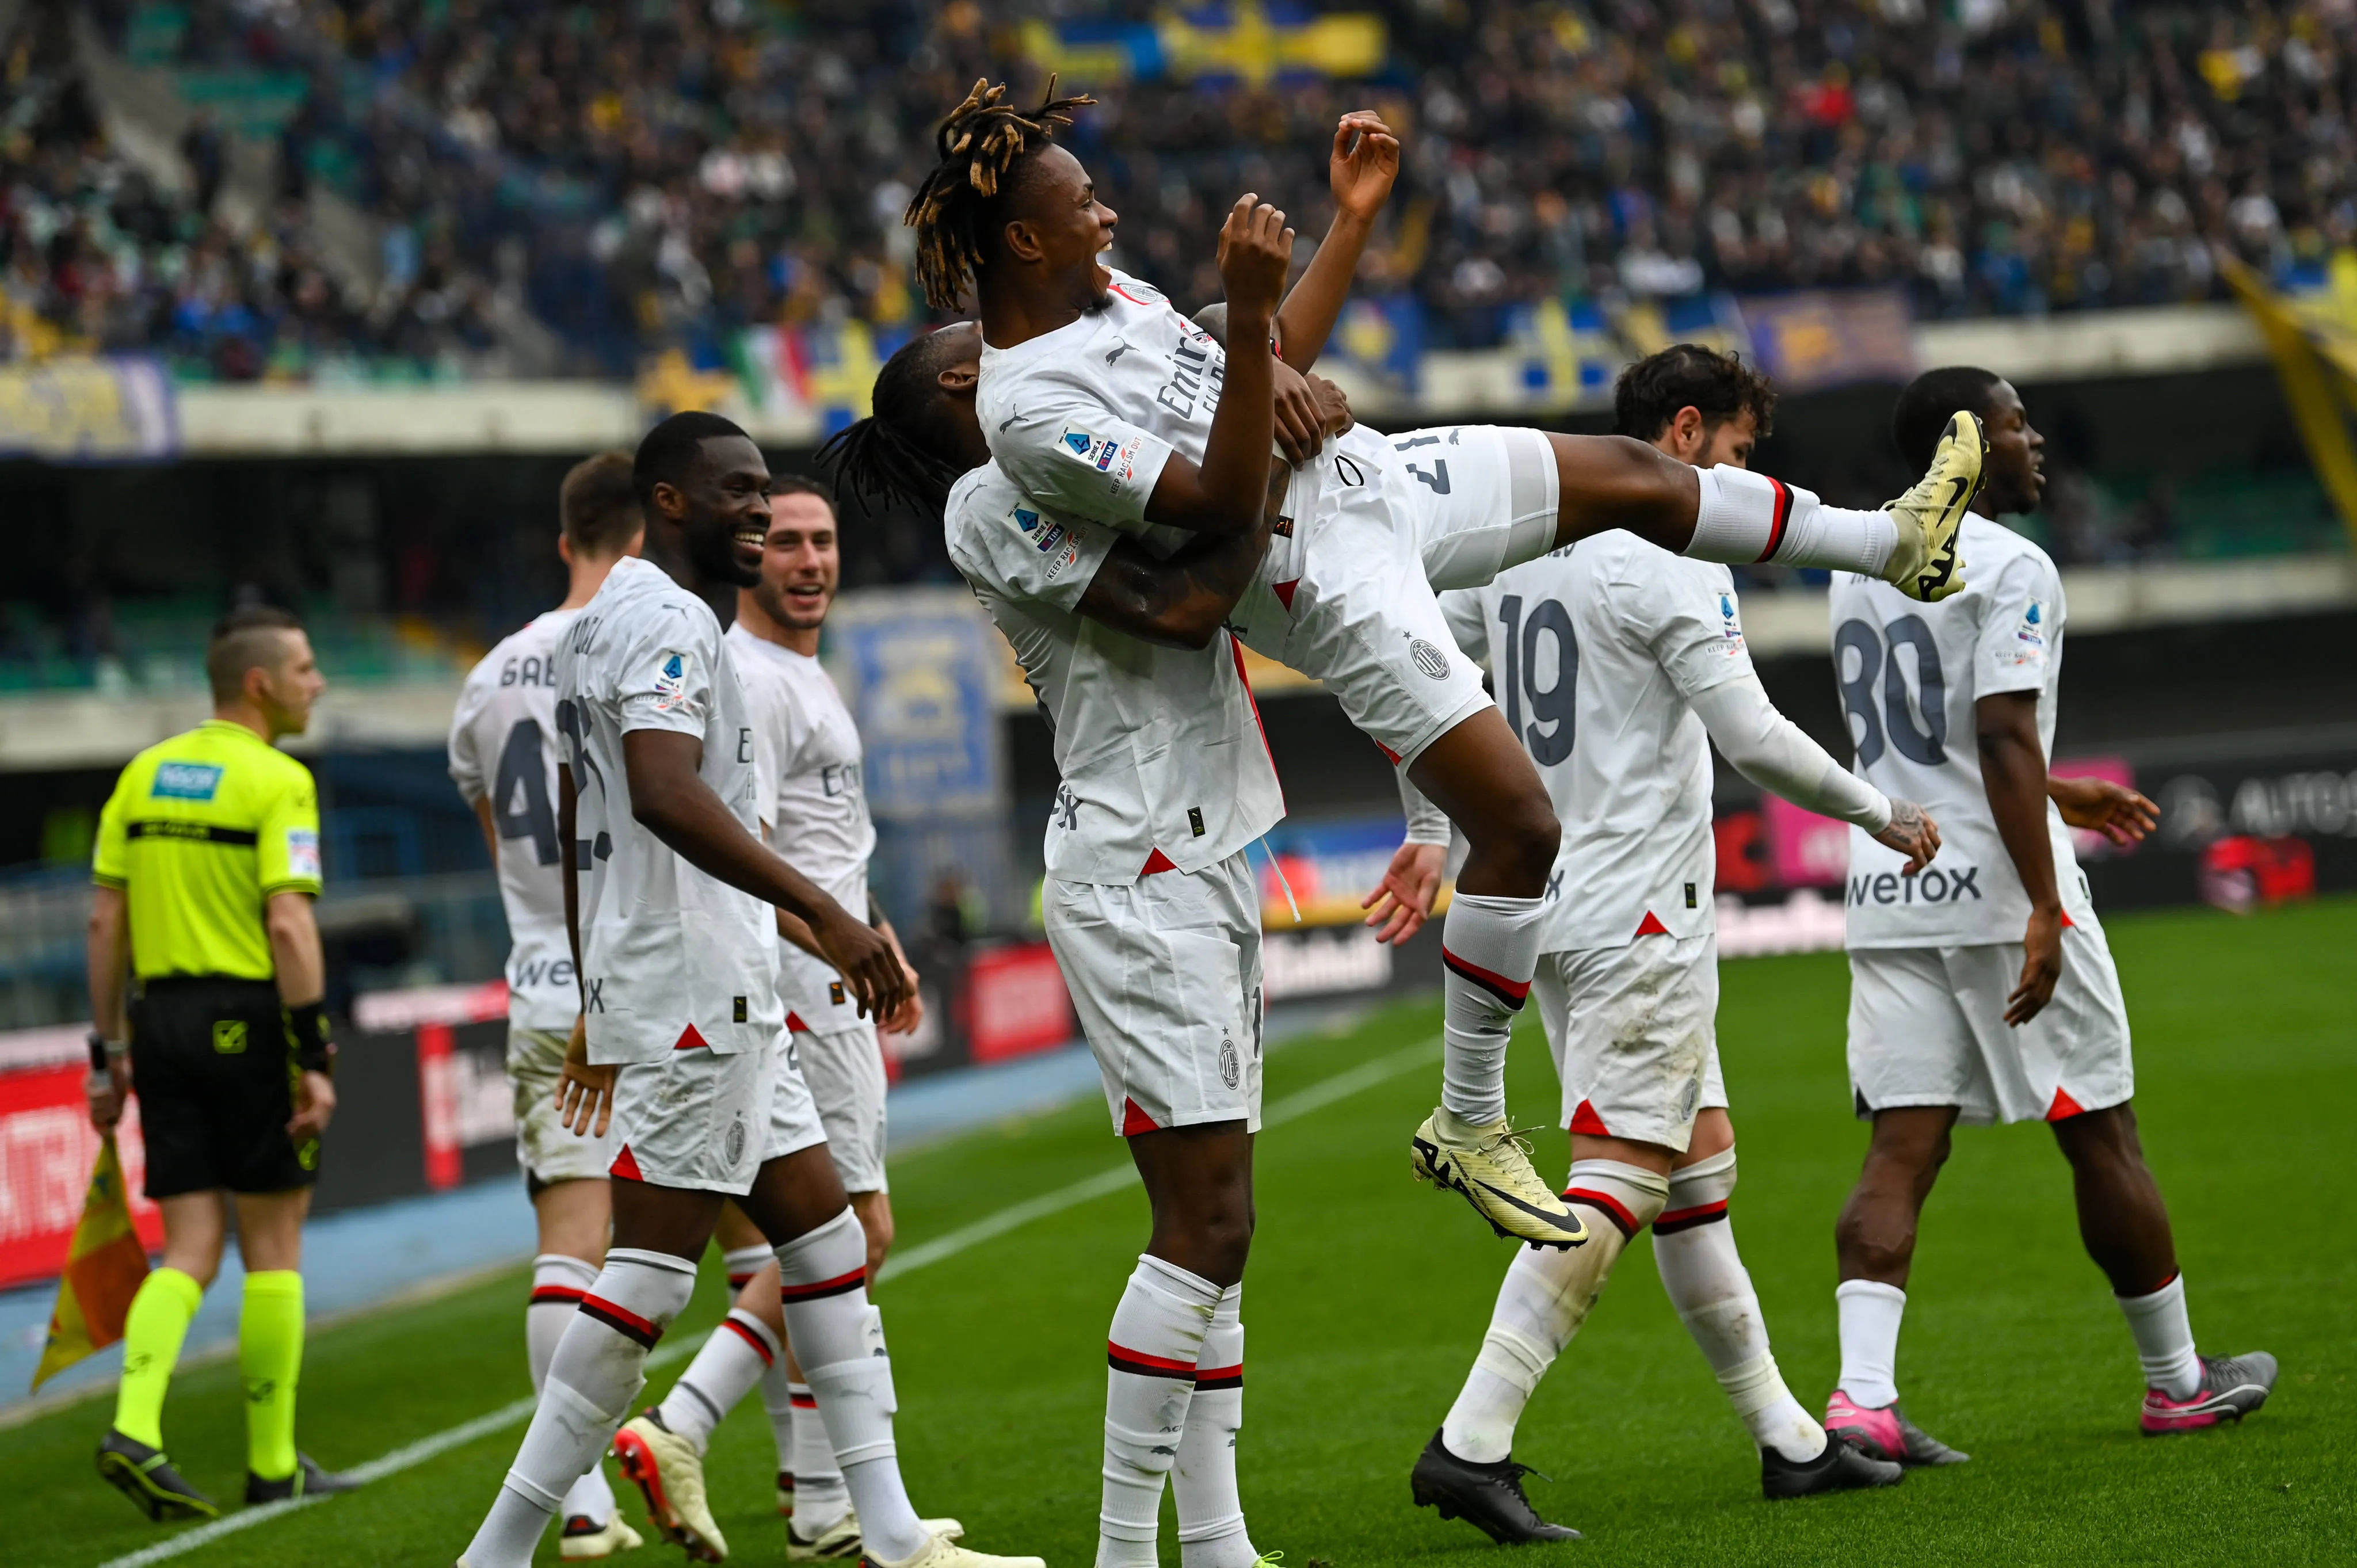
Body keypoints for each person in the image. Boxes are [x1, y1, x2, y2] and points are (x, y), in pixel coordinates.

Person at [906, 78, 1985, 1250]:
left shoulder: (1110, 296)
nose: (1107, 216)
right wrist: (1260, 348)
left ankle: (1892, 543)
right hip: (1316, 577)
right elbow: (1219, 494)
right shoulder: (1026, 410)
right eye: (1083, 204)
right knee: (1520, 826)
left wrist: (1347, 228)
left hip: (1372, 480)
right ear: (1023, 239)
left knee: (1633, 475)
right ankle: (1469, 1120)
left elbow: (1237, 388)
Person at [1379, 346, 1940, 1540]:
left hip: (1547, 911)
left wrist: (1429, 825)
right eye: (1738, 453)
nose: (1742, 481)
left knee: (1696, 1173)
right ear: (1682, 434)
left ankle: (1789, 1441)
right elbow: (1751, 735)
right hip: (1639, 913)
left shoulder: (1524, 536)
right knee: (1624, 1176)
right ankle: (1470, 1442)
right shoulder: (1673, 555)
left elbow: (1412, 658)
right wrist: (1878, 811)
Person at [455, 411, 1033, 1568]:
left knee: (822, 1245)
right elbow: (664, 792)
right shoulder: (670, 618)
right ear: (667, 500)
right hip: (694, 990)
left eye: (764, 493)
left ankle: (888, 1528)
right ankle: (501, 1549)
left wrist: (587, 991)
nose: (758, 514)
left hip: (690, 983)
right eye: (735, 493)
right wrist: (824, 913)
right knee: (649, 1279)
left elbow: (587, 817)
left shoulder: (597, 620)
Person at [829, 182, 1297, 1568]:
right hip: (1137, 866)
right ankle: (1125, 1554)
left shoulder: (1077, 461)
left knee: (1224, 1229)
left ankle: (1213, 1547)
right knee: (1202, 1224)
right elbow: (1186, 606)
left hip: (1199, 852)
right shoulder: (991, 500)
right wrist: (1257, 471)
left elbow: (1211, 441)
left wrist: (1262, 376)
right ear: (975, 388)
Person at [1820, 367, 2278, 1462]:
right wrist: (2042, 902)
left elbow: (1926, 740)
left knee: (1900, 1151)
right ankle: (2177, 1384)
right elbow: (1996, 737)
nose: (2039, 446)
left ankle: (1861, 1405)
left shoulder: (1859, 562)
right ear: (1968, 440)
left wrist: (2064, 790)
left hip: (1889, 887)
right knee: (2100, 1131)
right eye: (2020, 427)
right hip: (1995, 889)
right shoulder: (2012, 563)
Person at [613, 476, 937, 1562]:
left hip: (821, 966)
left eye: (824, 540)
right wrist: (841, 947)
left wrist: (877, 934)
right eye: (787, 540)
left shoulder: (794, 673)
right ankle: (682, 1421)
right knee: (852, 1236)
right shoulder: (748, 677)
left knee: (792, 1242)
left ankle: (817, 1505)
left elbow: (818, 841)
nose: (808, 559)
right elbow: (757, 857)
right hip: (798, 984)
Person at [87, 605, 353, 1518]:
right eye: (307, 668)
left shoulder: (142, 774)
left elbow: (104, 921)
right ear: (260, 683)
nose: (317, 683)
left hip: (155, 1019)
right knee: (273, 1249)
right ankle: (273, 1463)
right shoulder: (276, 780)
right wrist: (313, 1051)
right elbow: (289, 921)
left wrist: (106, 1051)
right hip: (247, 1018)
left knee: (190, 1249)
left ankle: (135, 1426)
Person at [447, 450, 646, 1558]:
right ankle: (819, 1487)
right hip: (641, 978)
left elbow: (503, 844)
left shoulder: (488, 676)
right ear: (641, 536)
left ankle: (579, 1508)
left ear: (564, 537)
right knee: (760, 1233)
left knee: (567, 1242)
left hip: (537, 980)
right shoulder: (636, 644)